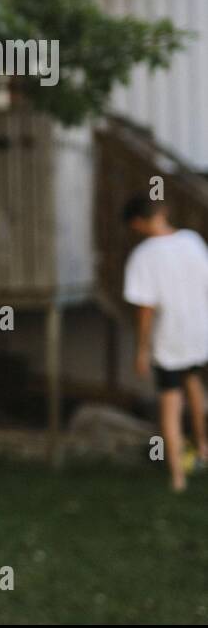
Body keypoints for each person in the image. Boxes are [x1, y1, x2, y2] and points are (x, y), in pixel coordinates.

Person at [121, 193, 208, 492]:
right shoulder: (192, 241)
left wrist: (141, 350)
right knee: (193, 384)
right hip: (198, 334)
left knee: (170, 404)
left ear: (137, 223)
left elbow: (145, 310)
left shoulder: (144, 256)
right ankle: (203, 450)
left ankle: (178, 478)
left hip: (169, 340)